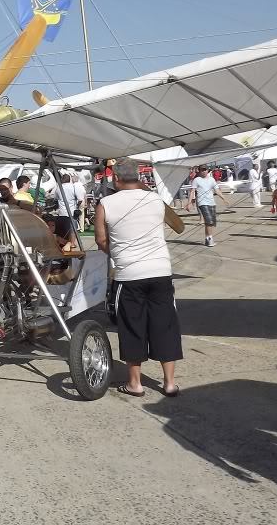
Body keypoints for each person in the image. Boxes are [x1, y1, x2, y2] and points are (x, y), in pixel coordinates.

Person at [95, 159, 181, 398]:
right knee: (165, 324)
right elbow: (173, 223)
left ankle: (135, 383)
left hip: (129, 274)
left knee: (132, 325)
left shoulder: (106, 203)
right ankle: (170, 383)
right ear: (140, 177)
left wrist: (119, 250)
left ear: (115, 178)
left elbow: (101, 241)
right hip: (160, 271)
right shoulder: (155, 199)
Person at [186, 166, 230, 247]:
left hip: (211, 202)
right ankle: (210, 238)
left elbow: (216, 190)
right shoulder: (196, 180)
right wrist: (189, 203)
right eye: (202, 170)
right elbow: (192, 192)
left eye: (205, 170)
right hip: (202, 203)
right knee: (209, 221)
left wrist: (223, 198)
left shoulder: (211, 179)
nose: (204, 172)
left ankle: (207, 238)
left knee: (211, 222)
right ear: (199, 171)